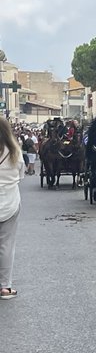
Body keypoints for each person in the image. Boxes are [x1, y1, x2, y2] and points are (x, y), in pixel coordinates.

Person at [0, 117, 21, 300]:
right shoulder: (15, 151)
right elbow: (20, 175)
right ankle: (5, 287)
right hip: (9, 201)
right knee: (6, 245)